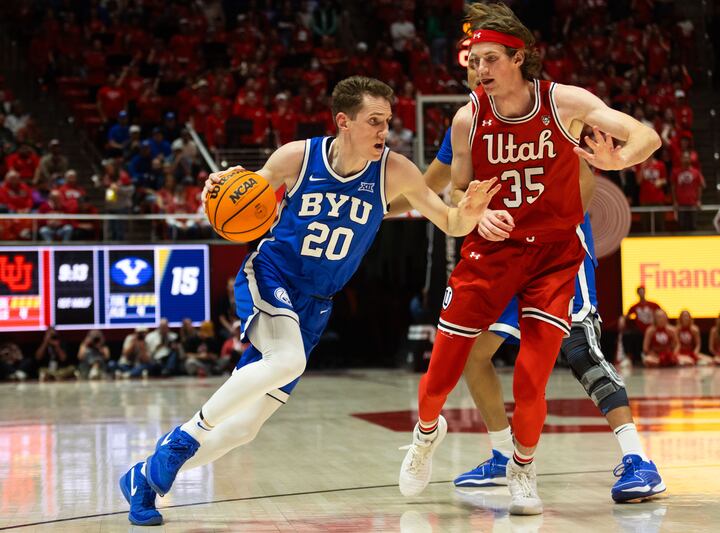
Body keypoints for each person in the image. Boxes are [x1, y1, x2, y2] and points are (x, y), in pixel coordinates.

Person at [119, 76, 498, 526]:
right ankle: (179, 443)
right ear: (344, 121)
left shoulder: (395, 171)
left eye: (388, 122)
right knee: (288, 360)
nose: (384, 131)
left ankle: (145, 476)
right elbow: (244, 191)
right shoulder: (297, 156)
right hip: (273, 274)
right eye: (374, 121)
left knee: (244, 428)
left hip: (317, 302)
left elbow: (449, 222)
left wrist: (467, 215)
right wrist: (217, 187)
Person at [398, 3, 661, 515]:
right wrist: (471, 213)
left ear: (518, 58)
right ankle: (494, 452)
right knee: (465, 357)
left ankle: (629, 458)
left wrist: (620, 159)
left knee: (572, 353)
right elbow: (450, 189)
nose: (479, 70)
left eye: (489, 59)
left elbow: (644, 136)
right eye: (473, 61)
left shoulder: (566, 104)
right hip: (495, 254)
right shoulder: (468, 117)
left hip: (556, 252)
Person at [622, 286, 662, 363]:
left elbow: (661, 313)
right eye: (640, 292)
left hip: (651, 329)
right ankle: (630, 357)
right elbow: (627, 316)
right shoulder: (635, 306)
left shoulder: (653, 304)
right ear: (638, 293)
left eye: (642, 291)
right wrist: (622, 319)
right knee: (628, 335)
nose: (641, 293)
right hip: (640, 331)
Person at [671, 150, 705, 231]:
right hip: (681, 204)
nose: (686, 159)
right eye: (684, 157)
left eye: (687, 158)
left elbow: (699, 187)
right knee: (681, 227)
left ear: (690, 159)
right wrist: (675, 201)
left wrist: (699, 200)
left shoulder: (696, 172)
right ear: (681, 159)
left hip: (692, 204)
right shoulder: (676, 172)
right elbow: (673, 187)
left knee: (693, 227)